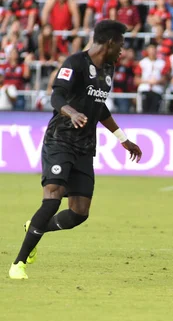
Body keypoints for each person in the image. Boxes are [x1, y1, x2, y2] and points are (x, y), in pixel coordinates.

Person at [8, 20, 143, 280]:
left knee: (79, 213)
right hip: (60, 139)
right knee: (53, 198)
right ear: (110, 42)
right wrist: (71, 112)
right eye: (122, 45)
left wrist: (122, 139)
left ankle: (35, 228)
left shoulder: (108, 69)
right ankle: (18, 264)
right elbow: (56, 96)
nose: (123, 51)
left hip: (85, 146)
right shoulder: (75, 63)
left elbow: (100, 107)